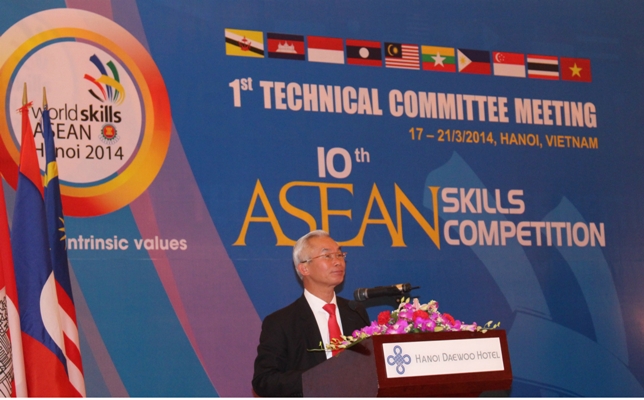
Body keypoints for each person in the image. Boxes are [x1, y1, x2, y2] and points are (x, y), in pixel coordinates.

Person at [252, 230, 371, 397]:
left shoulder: (355, 312)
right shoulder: (281, 322)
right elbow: (264, 381)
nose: (338, 262)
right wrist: (319, 377)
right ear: (304, 268)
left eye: (339, 254)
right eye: (327, 256)